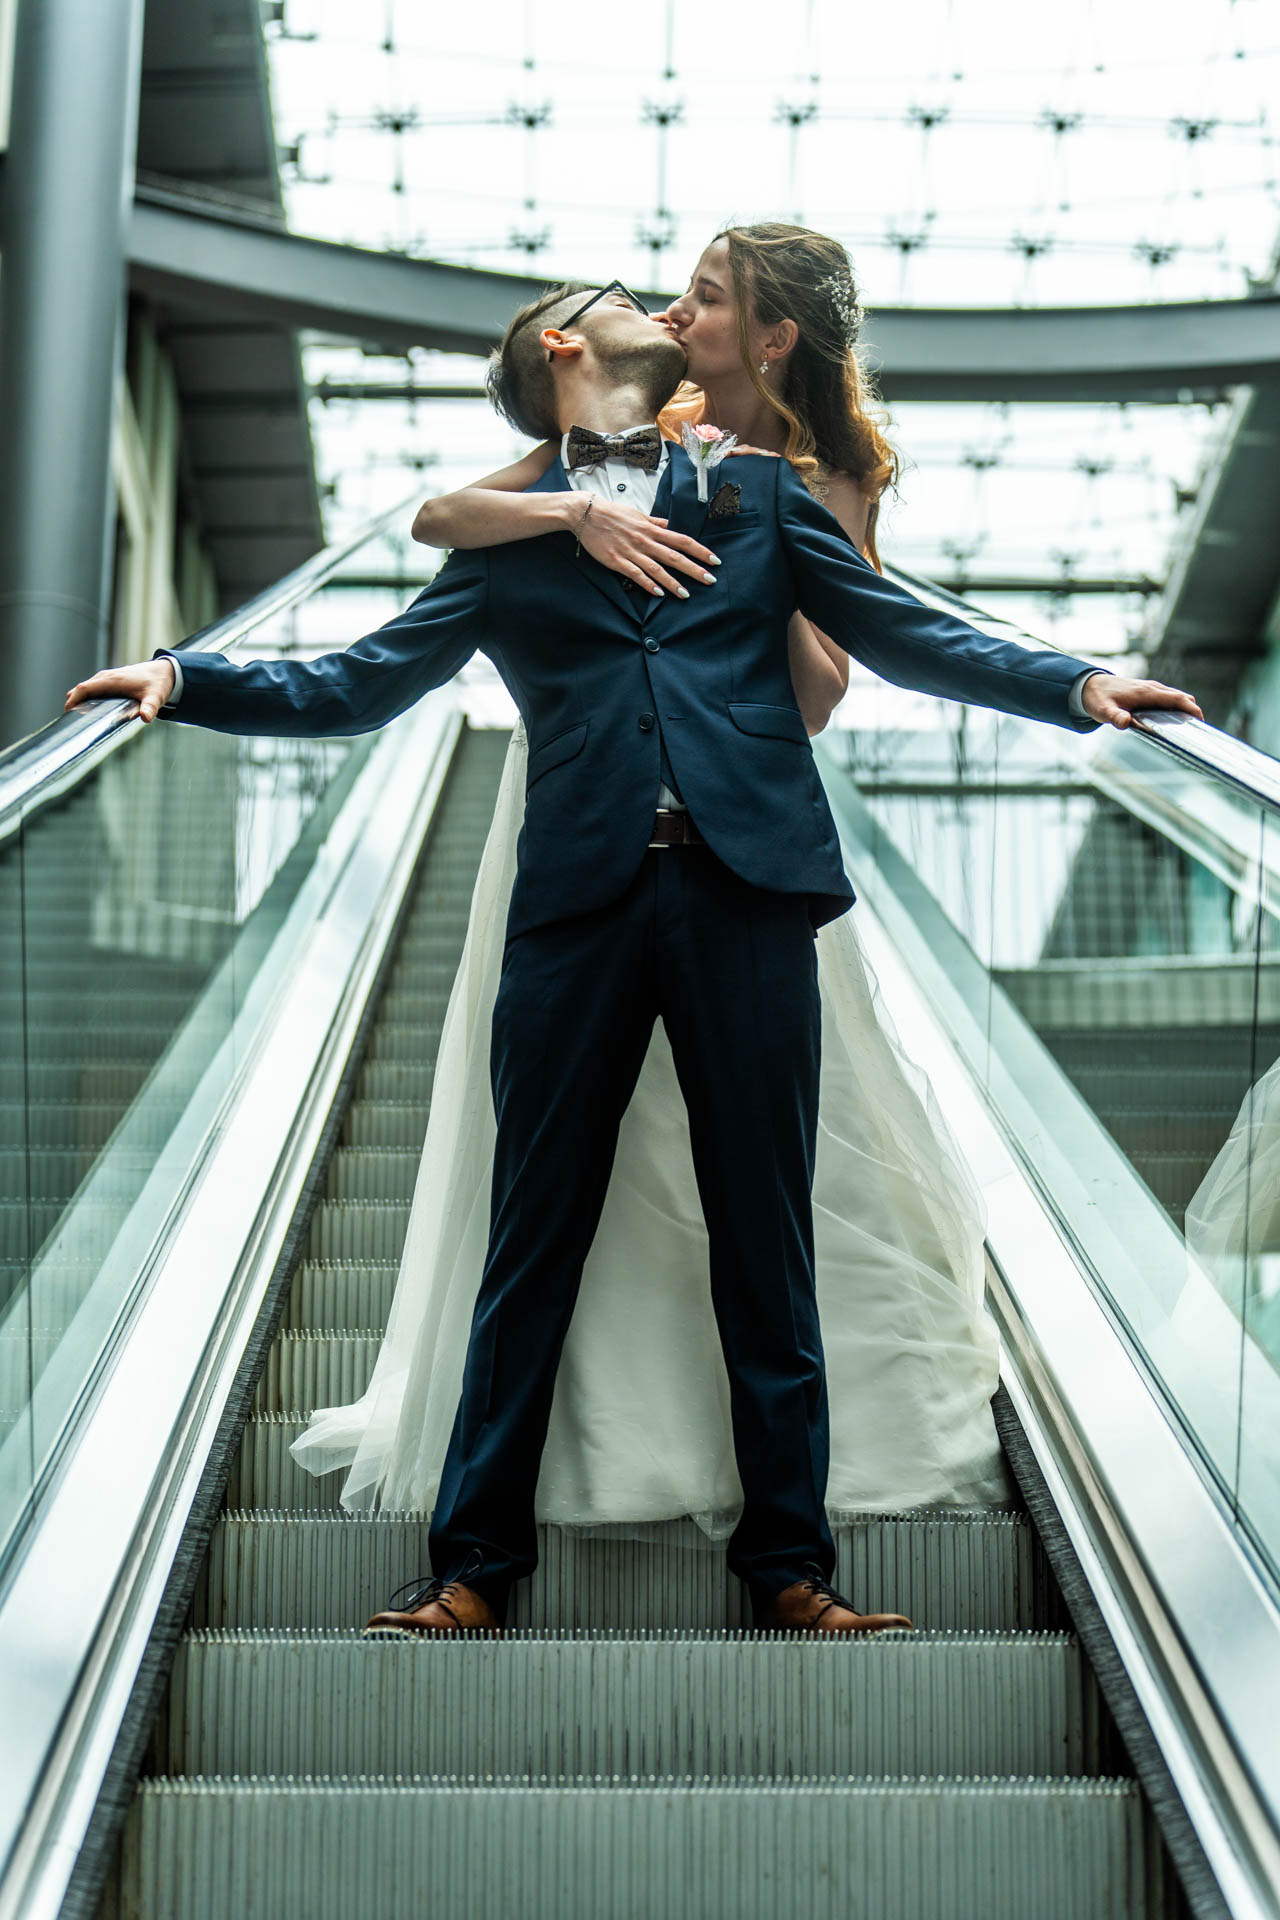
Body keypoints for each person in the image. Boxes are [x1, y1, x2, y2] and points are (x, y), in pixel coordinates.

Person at [65, 260, 1202, 1643]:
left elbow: (908, 633)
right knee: (530, 1237)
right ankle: (473, 1568)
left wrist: (1081, 686)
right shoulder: (510, 540)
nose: (664, 310)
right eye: (627, 300)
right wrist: (182, 680)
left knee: (765, 1242)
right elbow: (357, 681)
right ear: (562, 347)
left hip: (750, 898)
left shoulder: (764, 498)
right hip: (578, 908)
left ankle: (789, 1568)